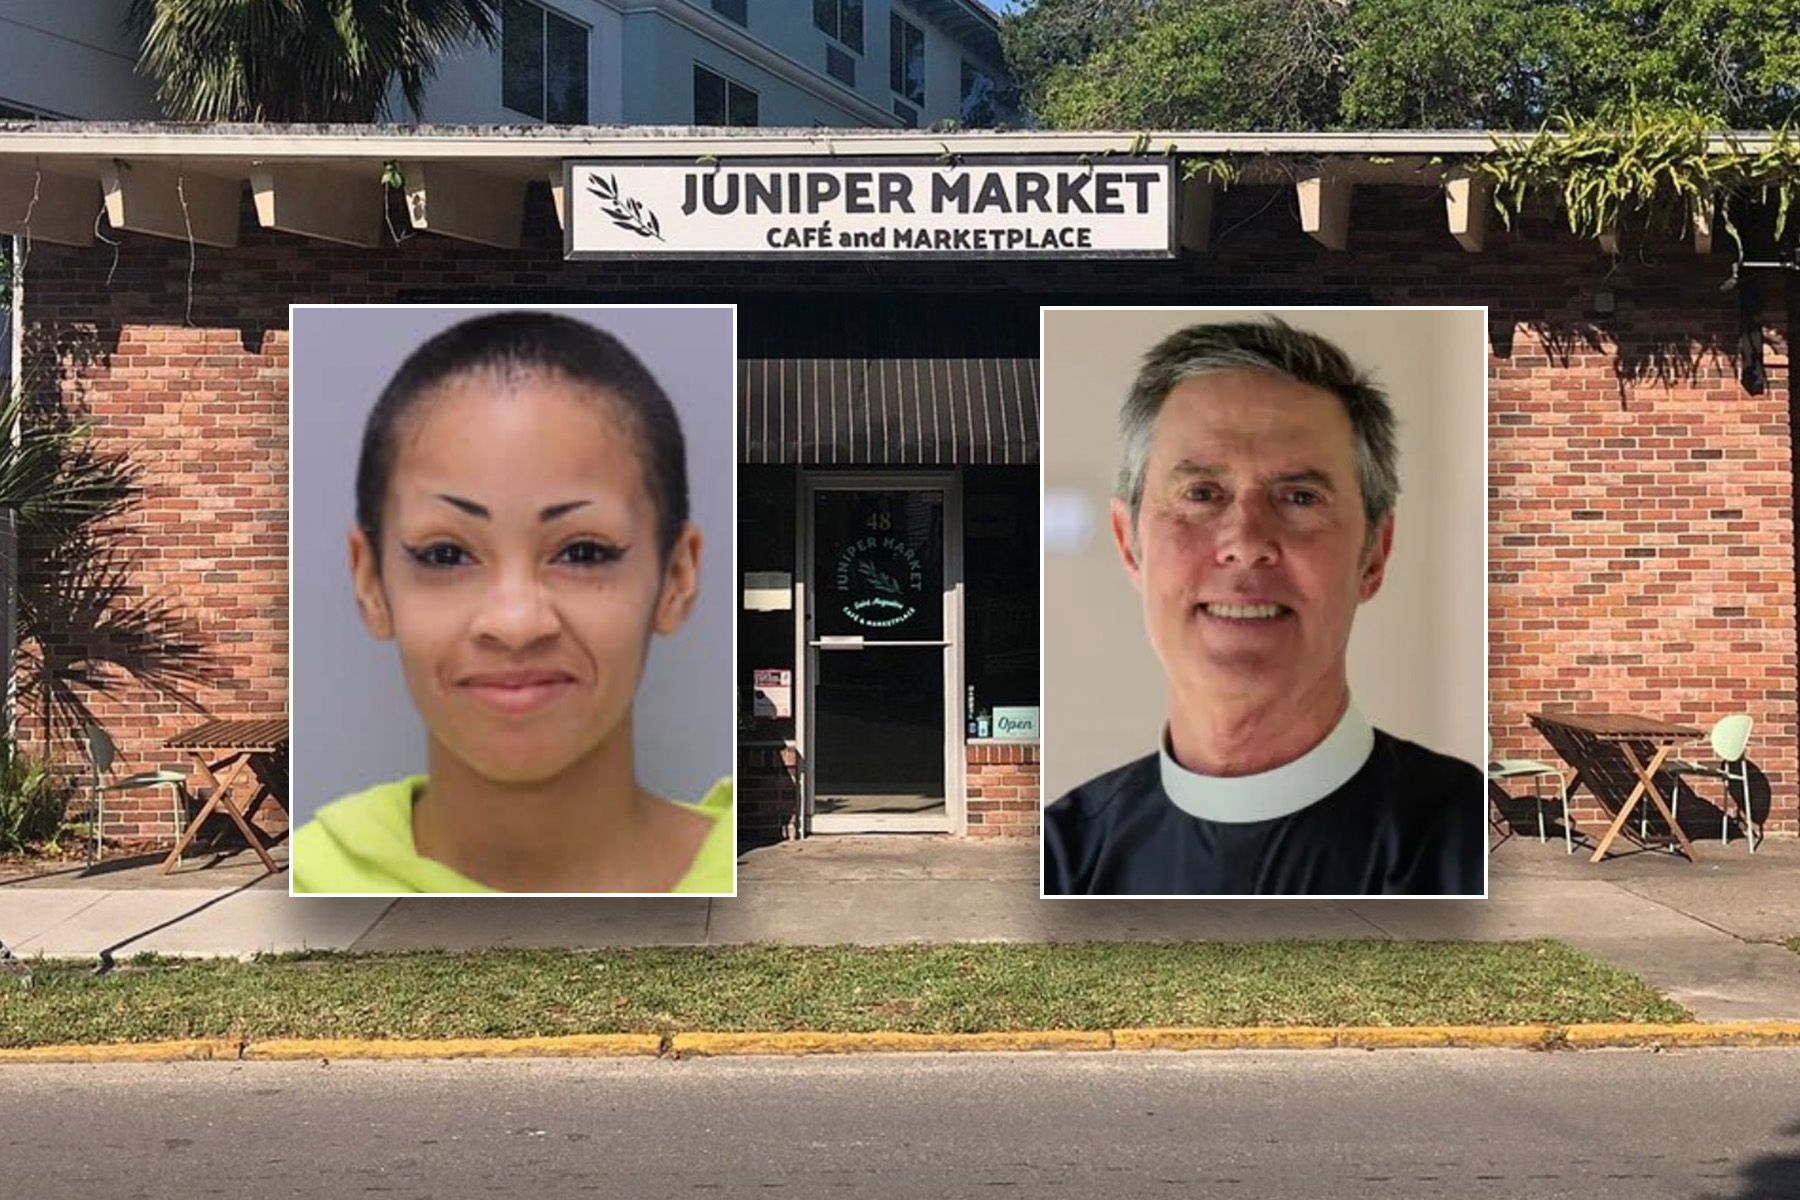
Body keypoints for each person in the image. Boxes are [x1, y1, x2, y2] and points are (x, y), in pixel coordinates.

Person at [292, 311, 733, 894]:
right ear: (371, 582)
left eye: (582, 551)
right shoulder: (314, 879)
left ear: (676, 577)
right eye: (447, 554)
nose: (516, 622)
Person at [1043, 316, 1483, 896]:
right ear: (1130, 543)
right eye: (1200, 494)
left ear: (1374, 554)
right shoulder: (1061, 861)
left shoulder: (1476, 846)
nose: (1246, 543)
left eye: (1300, 497)